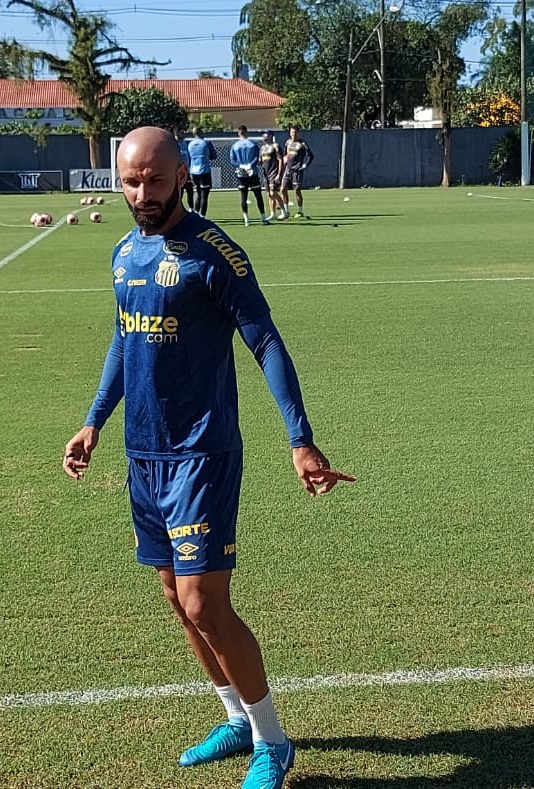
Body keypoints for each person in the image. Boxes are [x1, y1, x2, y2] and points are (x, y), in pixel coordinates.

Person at [64, 127, 353, 789]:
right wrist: (92, 422)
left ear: (182, 177)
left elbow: (267, 342)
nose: (142, 193)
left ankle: (274, 744)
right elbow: (122, 337)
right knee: (174, 595)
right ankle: (235, 718)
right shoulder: (122, 252)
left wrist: (300, 438)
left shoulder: (214, 254)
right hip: (145, 453)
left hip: (201, 451)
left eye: (155, 181)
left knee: (204, 603)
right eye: (131, 181)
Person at [229, 126, 268, 226]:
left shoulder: (235, 146)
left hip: (241, 174)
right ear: (246, 132)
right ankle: (263, 218)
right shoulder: (253, 144)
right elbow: (256, 158)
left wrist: (241, 165)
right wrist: (249, 165)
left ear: (238, 133)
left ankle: (246, 220)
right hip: (252, 173)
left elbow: (233, 161)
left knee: (243, 197)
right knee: (258, 196)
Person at [280, 127, 314, 219]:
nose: (293, 134)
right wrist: (282, 166)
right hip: (288, 170)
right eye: (292, 132)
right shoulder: (287, 143)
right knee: (282, 189)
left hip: (297, 171)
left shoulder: (302, 143)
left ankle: (300, 211)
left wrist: (305, 165)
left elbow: (311, 155)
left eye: (295, 132)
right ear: (290, 133)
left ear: (298, 133)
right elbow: (285, 155)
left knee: (297, 190)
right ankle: (286, 211)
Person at [186, 127, 216, 216]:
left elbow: (189, 158)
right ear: (201, 132)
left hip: (194, 172)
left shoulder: (190, 144)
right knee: (204, 196)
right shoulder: (206, 143)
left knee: (198, 193)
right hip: (204, 171)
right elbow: (213, 155)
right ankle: (202, 216)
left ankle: (195, 215)